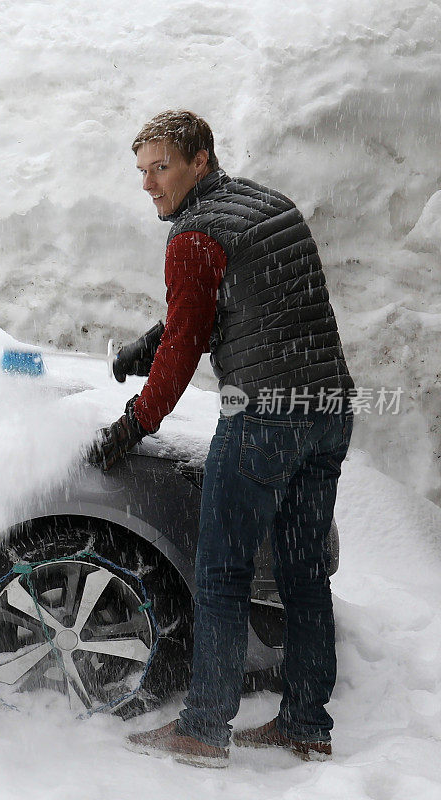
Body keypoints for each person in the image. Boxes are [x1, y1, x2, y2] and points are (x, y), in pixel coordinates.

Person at [90, 110, 355, 768]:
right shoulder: (268, 205)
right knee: (301, 575)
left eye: (161, 168)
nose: (149, 185)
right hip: (327, 410)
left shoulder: (194, 236)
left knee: (223, 576)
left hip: (264, 418)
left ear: (199, 160)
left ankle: (203, 729)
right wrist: (144, 348)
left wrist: (132, 424)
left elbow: (186, 346)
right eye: (143, 171)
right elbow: (214, 309)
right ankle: (305, 724)